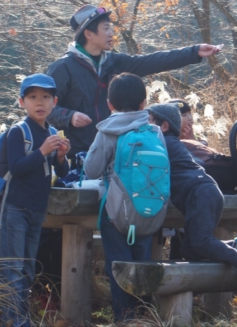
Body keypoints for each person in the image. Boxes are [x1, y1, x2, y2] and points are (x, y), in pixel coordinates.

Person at [47, 4, 222, 163]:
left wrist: (194, 52)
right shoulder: (62, 68)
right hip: (73, 157)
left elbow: (153, 61)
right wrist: (69, 116)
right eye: (106, 28)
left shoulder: (114, 62)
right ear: (88, 34)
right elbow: (44, 109)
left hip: (115, 154)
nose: (111, 33)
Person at [147, 102, 237, 300]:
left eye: (150, 122)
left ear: (164, 126)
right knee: (189, 249)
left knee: (201, 242)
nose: (146, 126)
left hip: (200, 193)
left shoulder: (163, 144)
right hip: (206, 191)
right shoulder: (174, 144)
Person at [82, 73, 157, 321]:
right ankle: (145, 318)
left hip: (115, 211)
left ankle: (124, 318)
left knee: (118, 265)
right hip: (149, 208)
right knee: (142, 262)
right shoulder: (154, 131)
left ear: (110, 104)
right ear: (143, 103)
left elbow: (91, 169)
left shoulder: (108, 130)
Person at [0, 73, 70, 327]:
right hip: (15, 207)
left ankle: (20, 316)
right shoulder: (19, 132)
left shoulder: (52, 132)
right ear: (22, 102)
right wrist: (43, 151)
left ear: (55, 102)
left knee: (28, 268)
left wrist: (61, 156)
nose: (39, 102)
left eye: (45, 97)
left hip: (37, 209)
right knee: (13, 267)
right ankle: (14, 319)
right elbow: (16, 168)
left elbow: (61, 172)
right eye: (32, 97)